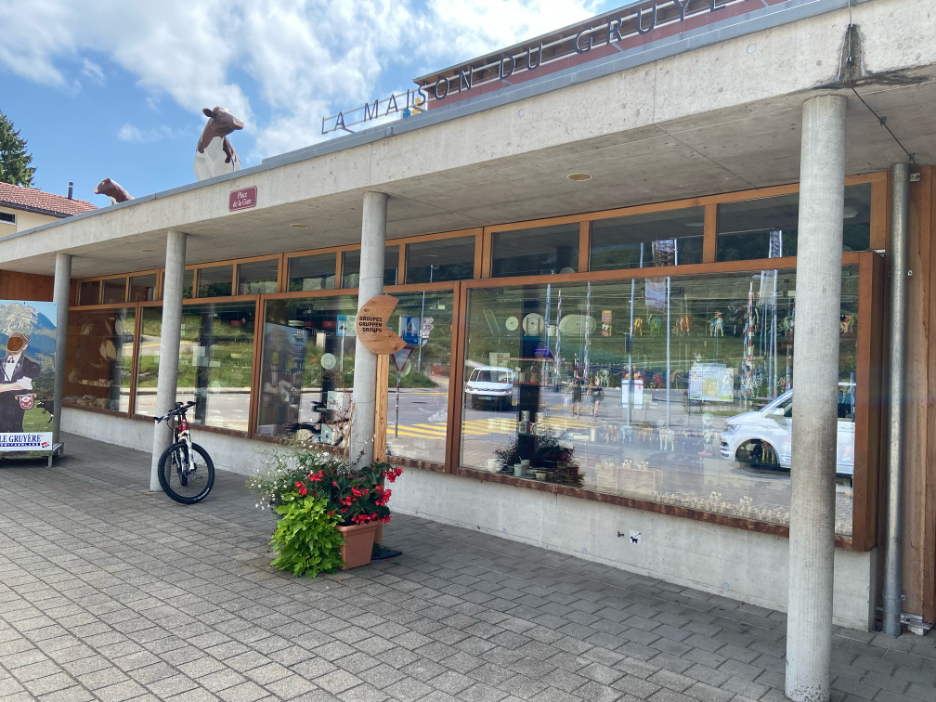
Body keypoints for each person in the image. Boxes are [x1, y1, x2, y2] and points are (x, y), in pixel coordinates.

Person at [0, 333, 42, 434]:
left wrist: (1, 388)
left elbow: (24, 384)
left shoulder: (30, 365)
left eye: (17, 342)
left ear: (24, 346)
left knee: (15, 428)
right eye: (11, 341)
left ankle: (18, 450)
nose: (13, 344)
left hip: (16, 402)